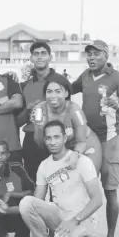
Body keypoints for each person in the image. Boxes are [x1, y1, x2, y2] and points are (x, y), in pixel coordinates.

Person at [19, 120, 103, 237]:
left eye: (56, 137)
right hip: (61, 214)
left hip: (83, 217)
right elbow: (37, 201)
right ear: (45, 140)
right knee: (26, 203)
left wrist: (75, 220)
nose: (52, 142)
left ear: (65, 138)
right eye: (48, 138)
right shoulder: (44, 166)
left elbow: (97, 200)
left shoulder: (82, 161)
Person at [71, 40, 119, 237]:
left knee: (109, 190)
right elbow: (66, 90)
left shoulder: (117, 78)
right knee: (84, 187)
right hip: (89, 138)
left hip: (109, 138)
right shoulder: (84, 76)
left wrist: (118, 104)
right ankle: (84, 236)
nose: (91, 58)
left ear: (106, 56)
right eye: (89, 54)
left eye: (96, 54)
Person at [16, 41, 72, 182]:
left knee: (60, 183)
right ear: (31, 59)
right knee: (33, 182)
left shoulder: (61, 81)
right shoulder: (25, 86)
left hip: (56, 137)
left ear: (50, 57)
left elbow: (70, 110)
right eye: (36, 54)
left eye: (43, 54)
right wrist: (29, 109)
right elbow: (18, 121)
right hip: (32, 138)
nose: (39, 57)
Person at [32, 80, 102, 173]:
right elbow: (40, 144)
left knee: (87, 177)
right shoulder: (39, 110)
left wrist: (76, 154)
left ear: (66, 93)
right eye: (49, 91)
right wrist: (39, 127)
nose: (53, 96)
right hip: (64, 149)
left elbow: (81, 141)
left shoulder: (74, 110)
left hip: (86, 145)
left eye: (58, 91)